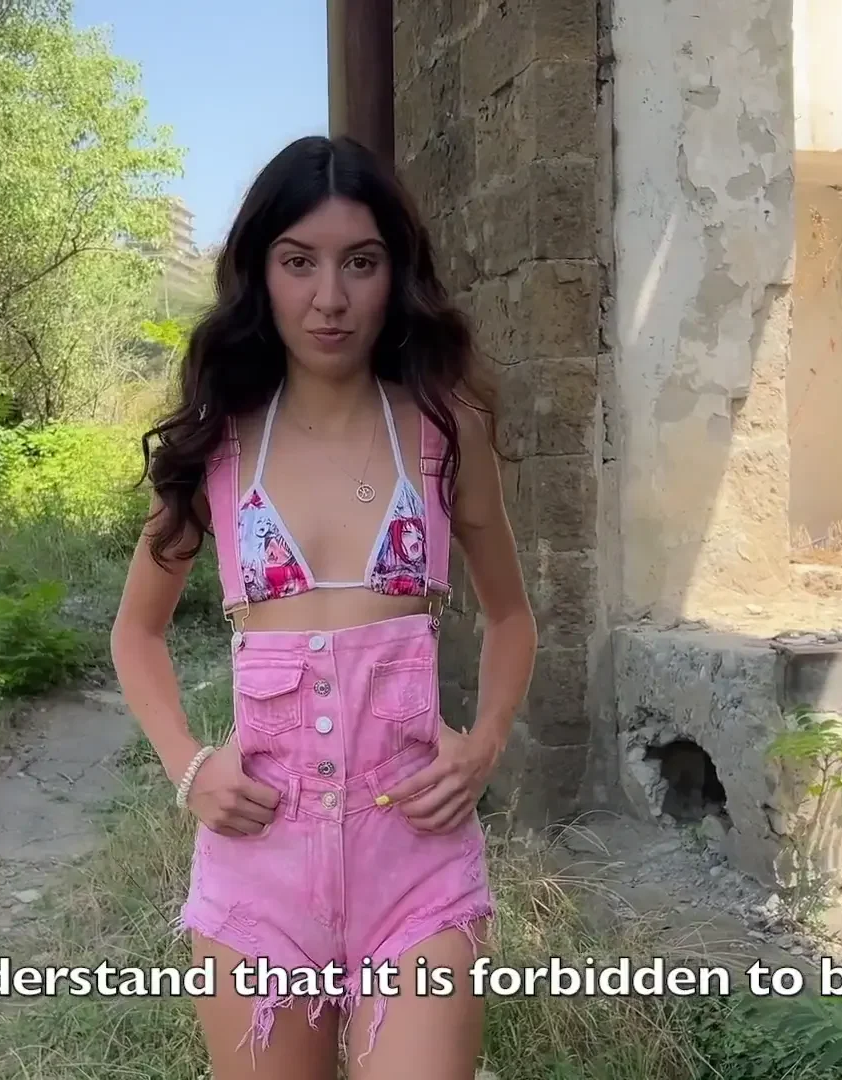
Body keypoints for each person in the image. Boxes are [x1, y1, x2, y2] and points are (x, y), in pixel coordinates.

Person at [111, 134, 537, 1079]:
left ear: (397, 274)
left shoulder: (444, 432)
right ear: (261, 274)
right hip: (257, 874)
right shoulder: (220, 444)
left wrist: (485, 743)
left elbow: (512, 618)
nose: (330, 298)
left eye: (361, 263)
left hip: (417, 869)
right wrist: (188, 768)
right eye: (299, 262)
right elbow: (136, 632)